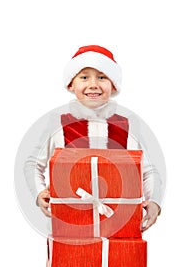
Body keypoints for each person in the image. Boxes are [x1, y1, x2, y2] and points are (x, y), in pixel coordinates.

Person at [24, 45, 165, 232]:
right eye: (84, 77)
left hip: (120, 224)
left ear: (113, 85)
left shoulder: (129, 126)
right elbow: (33, 163)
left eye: (102, 77)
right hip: (69, 224)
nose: (93, 84)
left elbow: (148, 171)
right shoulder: (57, 124)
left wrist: (154, 201)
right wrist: (38, 192)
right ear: (71, 84)